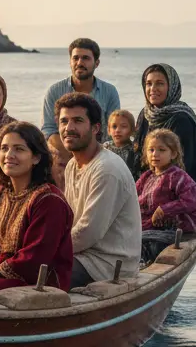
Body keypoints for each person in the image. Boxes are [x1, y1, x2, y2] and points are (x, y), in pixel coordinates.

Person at [0, 122, 74, 299]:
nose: (9, 155)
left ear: (36, 158)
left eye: (19, 149)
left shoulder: (49, 200)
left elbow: (34, 260)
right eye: (4, 148)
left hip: (37, 282)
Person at [57, 92, 141, 287]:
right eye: (63, 121)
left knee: (35, 274)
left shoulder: (106, 170)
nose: (69, 128)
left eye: (77, 121)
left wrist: (45, 250)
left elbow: (87, 233)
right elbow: (69, 220)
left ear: (95, 128)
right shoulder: (72, 165)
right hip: (82, 253)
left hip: (107, 263)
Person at [41, 38, 121, 164]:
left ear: (97, 63)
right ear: (70, 61)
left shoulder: (109, 92)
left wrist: (93, 159)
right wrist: (75, 157)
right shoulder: (54, 91)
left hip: (101, 159)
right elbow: (49, 130)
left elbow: (114, 130)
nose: (80, 62)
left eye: (86, 58)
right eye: (75, 58)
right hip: (64, 160)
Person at [137, 129, 196, 264]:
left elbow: (191, 201)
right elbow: (131, 198)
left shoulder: (178, 176)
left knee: (149, 245)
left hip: (174, 229)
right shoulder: (146, 177)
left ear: (173, 154)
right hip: (149, 226)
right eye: (151, 150)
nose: (155, 154)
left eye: (161, 150)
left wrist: (164, 210)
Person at [132, 63, 196, 186]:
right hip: (145, 187)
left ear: (171, 87)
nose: (153, 88)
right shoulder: (145, 114)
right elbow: (137, 154)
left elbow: (185, 165)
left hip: (176, 191)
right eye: (149, 84)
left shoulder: (181, 119)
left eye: (160, 83)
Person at [103, 109, 139, 178]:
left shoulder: (134, 151)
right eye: (114, 126)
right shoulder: (105, 148)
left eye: (123, 126)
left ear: (132, 130)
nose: (118, 130)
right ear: (109, 130)